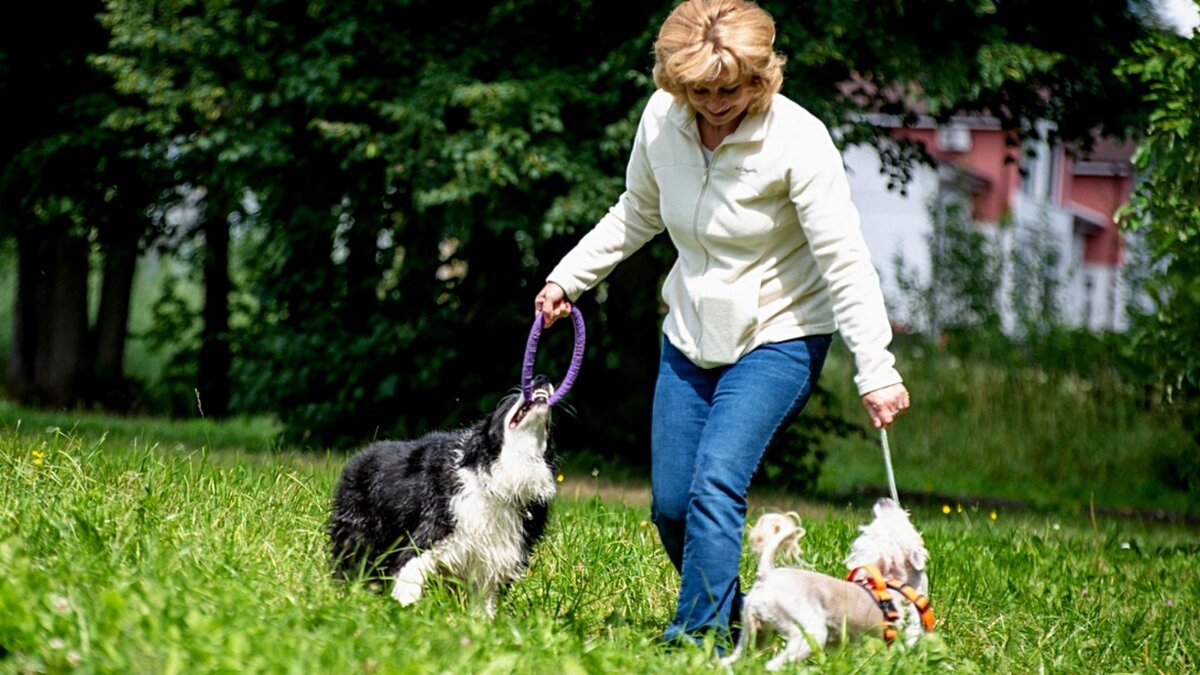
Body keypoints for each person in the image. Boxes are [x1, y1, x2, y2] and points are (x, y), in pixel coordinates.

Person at [533, 0, 910, 649]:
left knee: (715, 482)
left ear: (760, 78)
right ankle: (747, 616)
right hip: (689, 332)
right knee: (673, 506)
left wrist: (876, 367)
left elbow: (844, 259)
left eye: (728, 90)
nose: (713, 104)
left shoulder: (798, 139)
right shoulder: (661, 121)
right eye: (699, 91)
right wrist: (567, 277)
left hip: (779, 334)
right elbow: (636, 211)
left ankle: (694, 638)